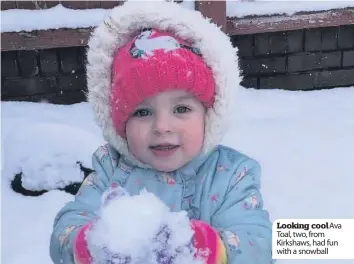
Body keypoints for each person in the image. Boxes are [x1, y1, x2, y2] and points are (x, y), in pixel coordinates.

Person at [50, 1, 274, 263]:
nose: (162, 127)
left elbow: (258, 242)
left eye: (181, 109)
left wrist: (208, 250)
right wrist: (89, 244)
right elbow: (66, 230)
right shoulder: (110, 171)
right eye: (143, 112)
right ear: (121, 124)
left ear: (209, 114)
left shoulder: (231, 176)